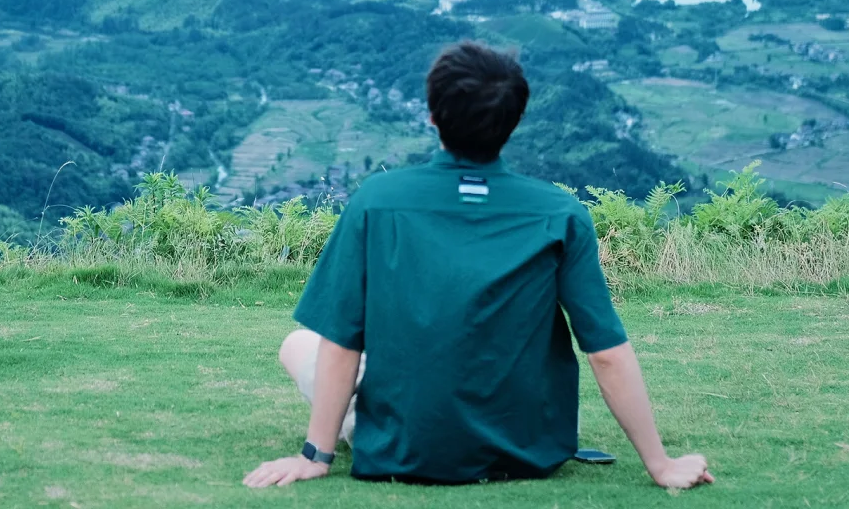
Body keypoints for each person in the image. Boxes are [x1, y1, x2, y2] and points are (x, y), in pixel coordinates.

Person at [243, 41, 713, 489]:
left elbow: (342, 340)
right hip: (526, 450)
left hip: (405, 448)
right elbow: (606, 353)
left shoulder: (376, 202)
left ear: (432, 115)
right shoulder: (559, 213)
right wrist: (661, 463)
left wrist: (314, 457)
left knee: (298, 343)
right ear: (515, 120)